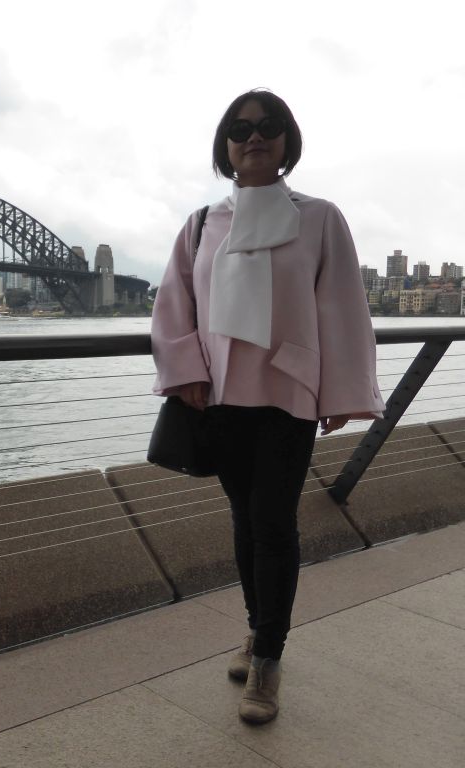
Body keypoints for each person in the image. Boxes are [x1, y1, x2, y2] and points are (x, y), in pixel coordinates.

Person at [150, 89, 385, 725]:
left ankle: (268, 662)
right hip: (220, 398)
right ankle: (257, 631)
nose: (255, 136)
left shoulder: (319, 218)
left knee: (274, 524)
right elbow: (174, 309)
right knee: (246, 523)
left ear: (288, 141)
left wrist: (342, 390)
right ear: (225, 146)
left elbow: (341, 306)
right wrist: (187, 375)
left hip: (288, 397)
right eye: (241, 127)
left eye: (269, 126)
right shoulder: (202, 224)